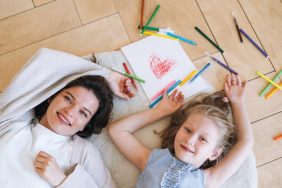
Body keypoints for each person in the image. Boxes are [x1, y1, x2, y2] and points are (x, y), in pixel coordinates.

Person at [0, 48, 134, 188]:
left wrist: (63, 182)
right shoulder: (14, 120)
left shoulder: (82, 153)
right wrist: (107, 75)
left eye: (83, 113)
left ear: (86, 124)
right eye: (68, 99)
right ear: (52, 96)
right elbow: (44, 58)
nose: (70, 112)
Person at [108, 74, 254, 188]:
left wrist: (238, 103)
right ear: (178, 129)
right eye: (188, 130)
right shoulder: (152, 160)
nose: (190, 140)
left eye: (203, 139)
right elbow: (117, 130)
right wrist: (160, 112)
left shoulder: (208, 180)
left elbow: (246, 143)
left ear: (214, 153)